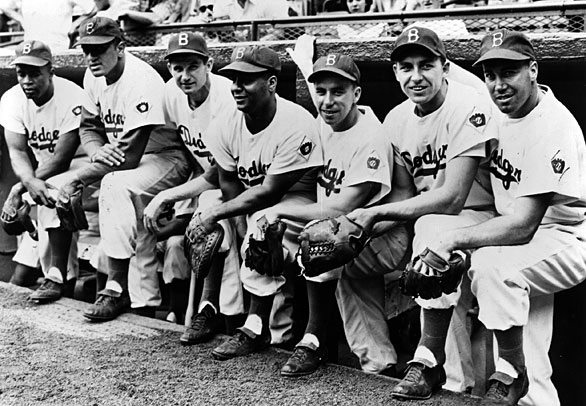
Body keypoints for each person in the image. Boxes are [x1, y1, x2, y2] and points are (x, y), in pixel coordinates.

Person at [397, 30, 586, 406]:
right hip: (512, 234)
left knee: (493, 268)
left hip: (561, 237)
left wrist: (455, 244)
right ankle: (431, 356)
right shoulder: (491, 104)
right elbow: (455, 75)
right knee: (432, 227)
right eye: (490, 74)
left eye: (509, 72)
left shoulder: (554, 125)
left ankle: (512, 377)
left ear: (533, 70)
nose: (498, 84)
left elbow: (523, 225)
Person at [344, 25, 497, 398]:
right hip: (429, 224)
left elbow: (453, 198)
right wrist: (356, 225)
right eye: (406, 67)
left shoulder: (468, 105)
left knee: (434, 239)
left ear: (444, 66)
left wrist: (376, 215)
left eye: (426, 65)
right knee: (347, 254)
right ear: (394, 72)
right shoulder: (397, 118)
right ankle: (381, 363)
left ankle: (431, 365)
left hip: (482, 218)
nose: (416, 76)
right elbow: (402, 193)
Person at [266, 52, 410, 377]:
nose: (328, 101)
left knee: (322, 239)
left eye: (338, 92)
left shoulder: (371, 136)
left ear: (356, 94)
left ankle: (313, 339)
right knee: (351, 283)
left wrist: (279, 211)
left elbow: (341, 207)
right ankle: (379, 365)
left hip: (387, 236)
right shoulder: (324, 122)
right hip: (356, 237)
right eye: (321, 91)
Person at [190, 45, 322, 360]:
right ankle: (214, 311)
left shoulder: (295, 121)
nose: (236, 86)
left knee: (259, 226)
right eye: (233, 78)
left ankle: (255, 328)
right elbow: (228, 181)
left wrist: (225, 215)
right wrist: (232, 220)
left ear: (272, 83)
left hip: (298, 202)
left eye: (247, 79)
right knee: (224, 216)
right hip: (253, 203)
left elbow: (271, 192)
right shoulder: (226, 122)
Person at [58, 16, 190, 321]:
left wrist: (78, 179)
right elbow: (88, 127)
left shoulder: (140, 79)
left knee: (115, 185)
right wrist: (96, 151)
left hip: (167, 158)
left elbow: (129, 157)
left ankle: (115, 288)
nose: (92, 57)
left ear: (120, 46)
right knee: (140, 225)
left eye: (100, 49)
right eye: (87, 50)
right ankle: (144, 304)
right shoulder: (94, 75)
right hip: (131, 158)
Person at [141, 32, 245, 339]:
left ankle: (213, 311)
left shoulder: (227, 97)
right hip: (205, 180)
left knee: (217, 225)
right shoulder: (171, 93)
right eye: (177, 68)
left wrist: (169, 193)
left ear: (209, 64)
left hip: (242, 180)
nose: (184, 76)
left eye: (192, 66)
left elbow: (220, 172)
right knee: (174, 239)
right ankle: (187, 309)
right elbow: (182, 144)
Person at [0, 40, 87, 303]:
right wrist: (28, 183)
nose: (27, 80)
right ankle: (50, 281)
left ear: (51, 70)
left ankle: (57, 276)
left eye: (35, 73)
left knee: (52, 189)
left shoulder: (72, 95)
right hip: (41, 171)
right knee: (20, 277)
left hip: (83, 165)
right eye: (21, 73)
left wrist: (20, 187)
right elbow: (16, 151)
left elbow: (63, 158)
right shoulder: (12, 98)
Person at [0, 0, 96, 51]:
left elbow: (94, 7)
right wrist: (22, 21)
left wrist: (75, 24)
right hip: (32, 47)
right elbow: (4, 6)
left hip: (59, 47)